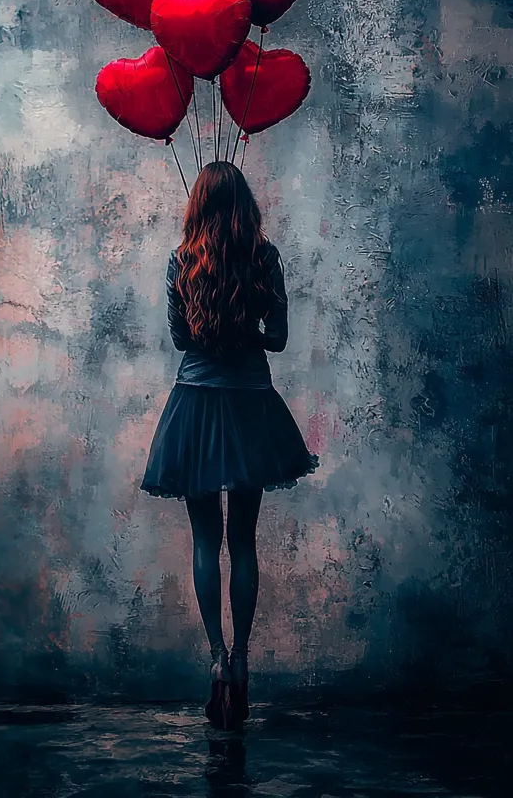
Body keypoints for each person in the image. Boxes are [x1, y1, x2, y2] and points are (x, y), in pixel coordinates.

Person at [140, 161, 318, 729]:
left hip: (196, 403)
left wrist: (213, 330)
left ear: (197, 206)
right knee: (243, 541)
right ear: (245, 205)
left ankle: (215, 659)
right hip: (248, 404)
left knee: (203, 541)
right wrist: (249, 333)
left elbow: (180, 340)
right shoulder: (265, 259)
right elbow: (280, 341)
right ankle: (242, 660)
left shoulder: (181, 261)